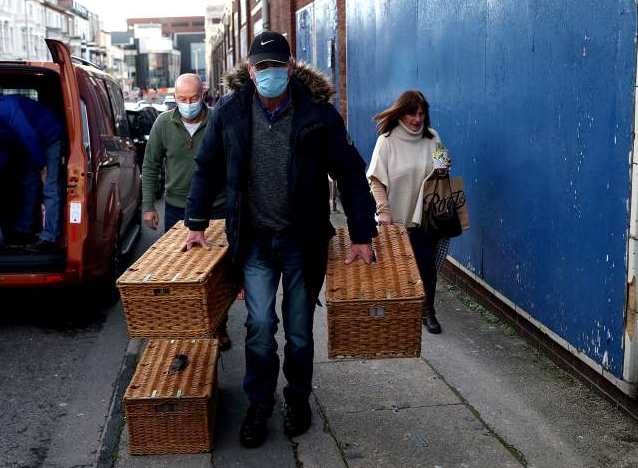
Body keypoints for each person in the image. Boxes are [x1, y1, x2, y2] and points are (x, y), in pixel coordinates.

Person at [183, 31, 377, 448]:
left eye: (277, 66)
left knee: (300, 330)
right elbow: (207, 168)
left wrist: (362, 232)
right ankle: (259, 405)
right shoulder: (230, 113)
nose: (269, 73)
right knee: (258, 325)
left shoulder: (318, 114)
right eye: (261, 67)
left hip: (301, 242)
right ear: (250, 71)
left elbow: (350, 171)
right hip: (253, 240)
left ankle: (297, 399)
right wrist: (195, 222)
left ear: (290, 68)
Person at [141, 73, 231, 350]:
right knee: (180, 273)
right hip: (177, 210)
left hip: (217, 208)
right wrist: (147, 207)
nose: (188, 104)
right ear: (175, 98)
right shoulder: (163, 124)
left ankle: (219, 327)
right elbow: (150, 165)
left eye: (193, 98)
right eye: (182, 99)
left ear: (203, 94)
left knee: (216, 276)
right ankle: (186, 328)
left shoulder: (220, 119)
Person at [366, 90, 449, 334]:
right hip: (397, 220)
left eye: (421, 113)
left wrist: (444, 164)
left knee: (427, 265)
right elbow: (376, 180)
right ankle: (397, 312)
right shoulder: (387, 140)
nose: (417, 119)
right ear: (401, 113)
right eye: (412, 113)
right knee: (397, 269)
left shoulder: (432, 137)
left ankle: (428, 312)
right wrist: (384, 211)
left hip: (426, 217)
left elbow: (443, 170)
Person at [0, 95, 66, 253]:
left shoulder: (3, 107)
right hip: (34, 142)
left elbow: (27, 133)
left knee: (49, 185)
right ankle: (24, 229)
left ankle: (50, 237)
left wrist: (41, 166)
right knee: (29, 183)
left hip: (50, 136)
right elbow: (4, 141)